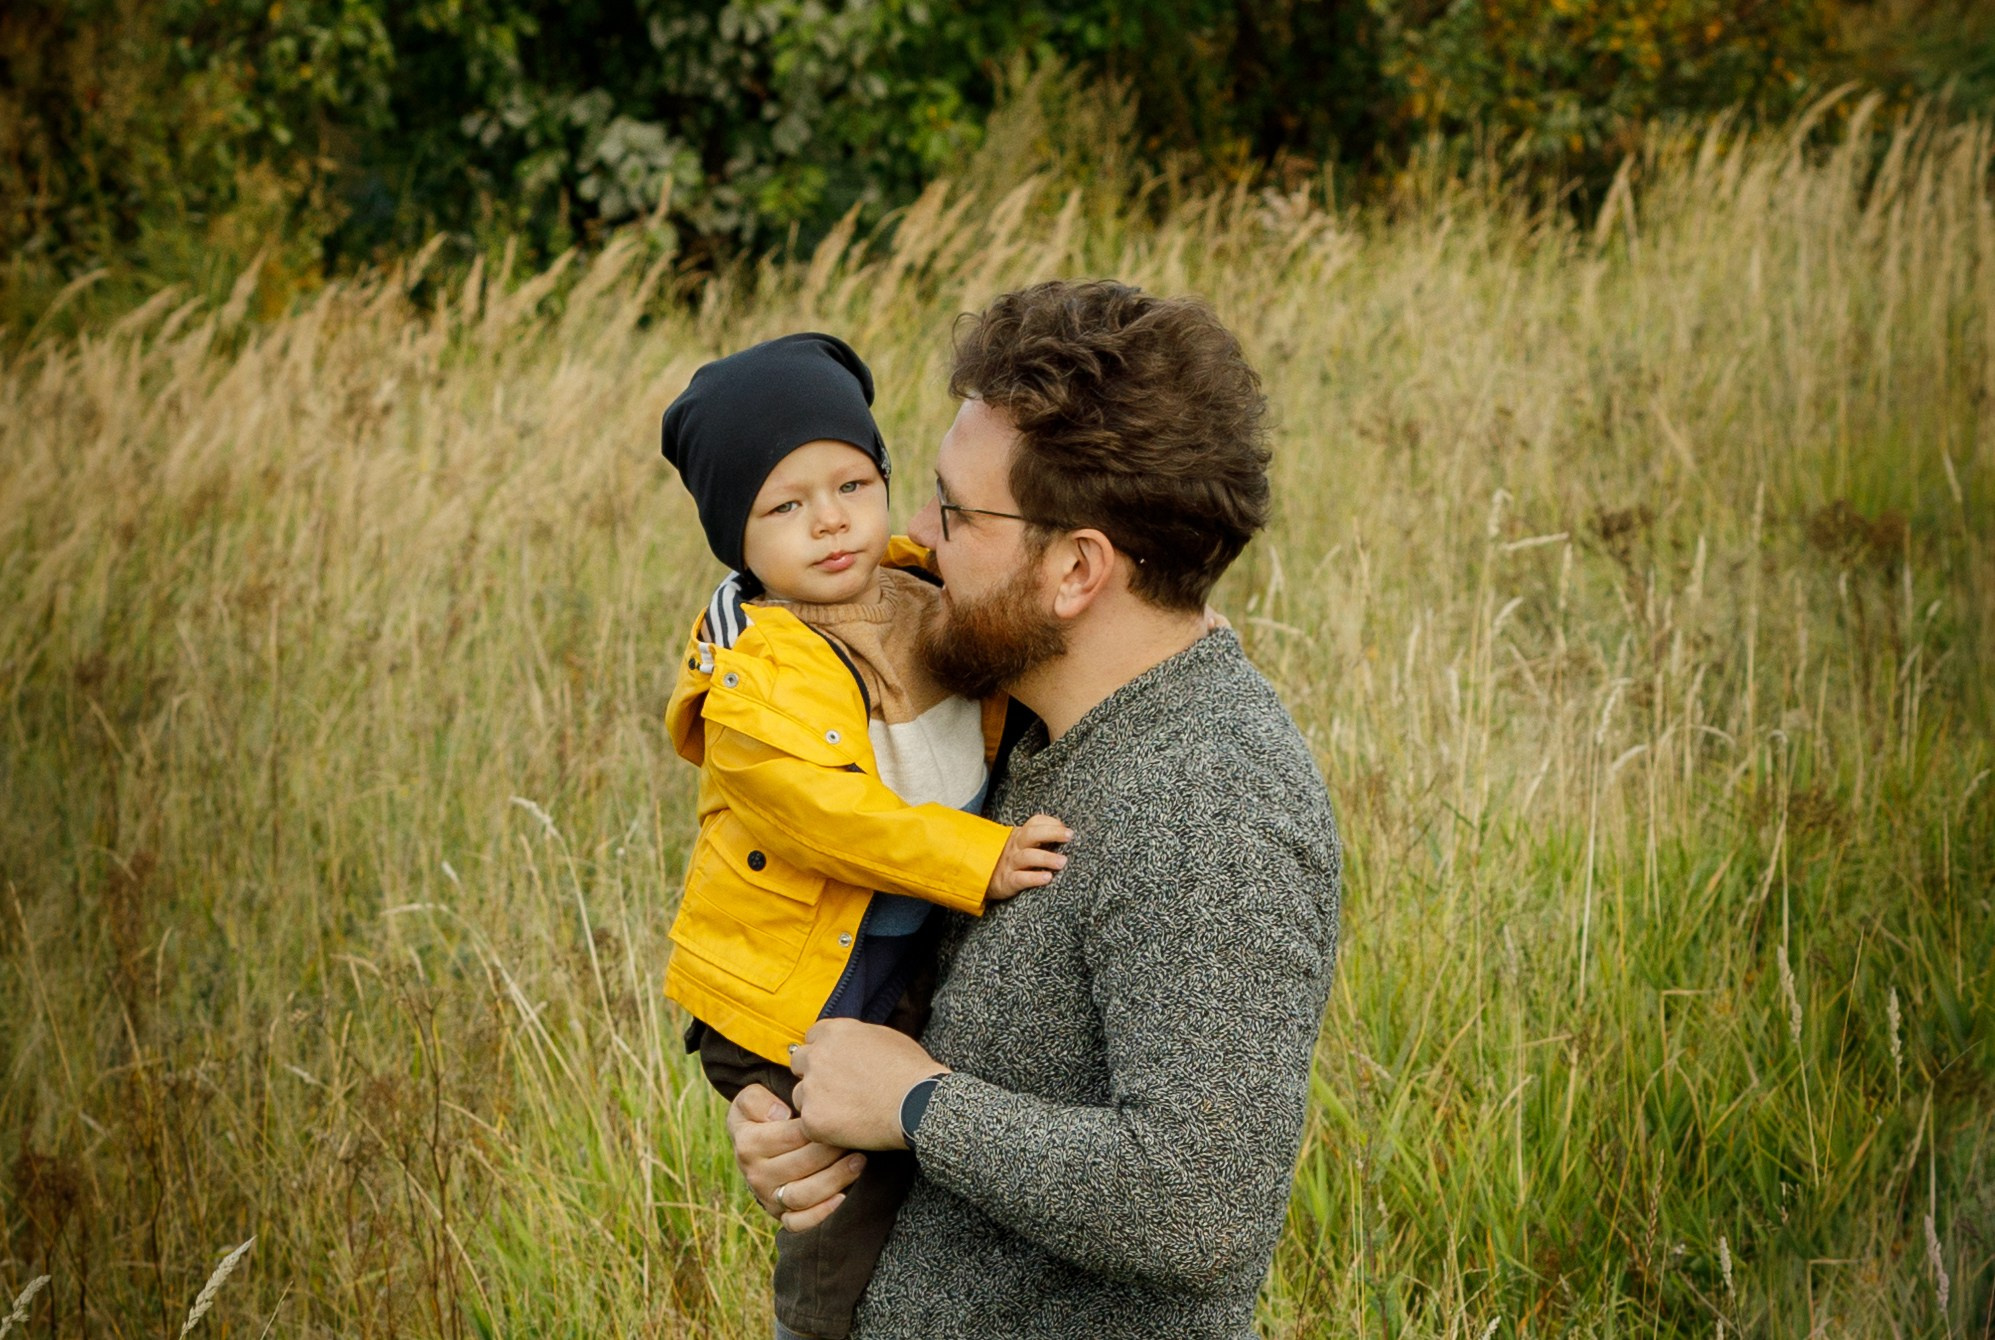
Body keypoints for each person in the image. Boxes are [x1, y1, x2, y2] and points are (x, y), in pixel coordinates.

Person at [726, 281, 1344, 1340]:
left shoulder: (1209, 801)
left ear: (1076, 568)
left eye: (957, 511)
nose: (913, 535)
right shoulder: (1006, 722)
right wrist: (804, 1116)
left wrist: (917, 1105)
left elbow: (1201, 1204)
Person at [657, 331, 1071, 1340]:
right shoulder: (754, 673)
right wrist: (979, 858)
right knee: (841, 1185)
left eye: (851, 482)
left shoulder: (919, 591)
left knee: (944, 1135)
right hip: (790, 985)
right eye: (785, 505)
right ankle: (821, 1327)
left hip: (890, 945)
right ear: (736, 538)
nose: (830, 521)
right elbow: (830, 817)